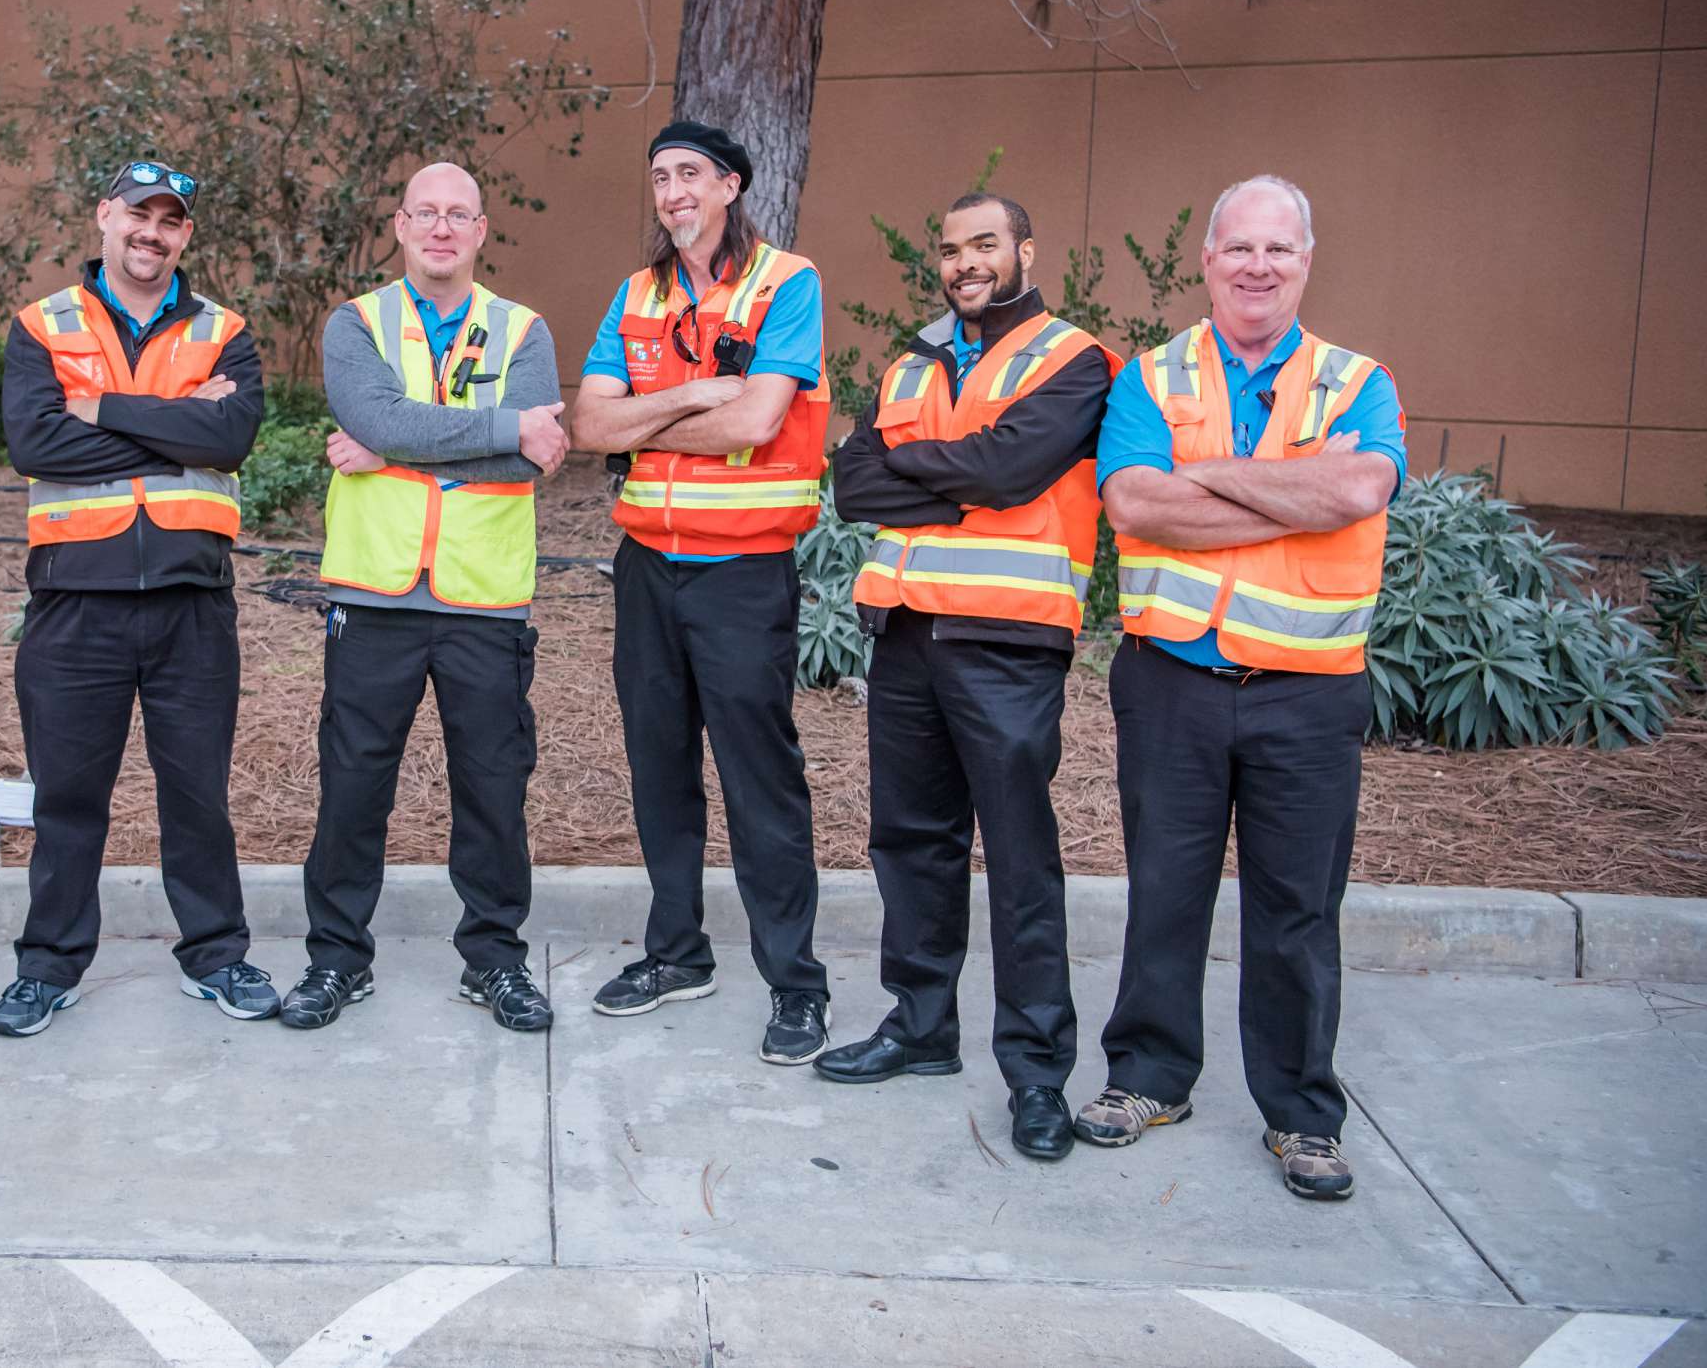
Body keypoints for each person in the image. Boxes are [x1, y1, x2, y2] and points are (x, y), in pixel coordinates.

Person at [1076, 174, 1405, 1201]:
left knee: (1297, 908)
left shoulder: (1358, 382)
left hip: (1308, 691)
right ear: (1207, 260)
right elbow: (1133, 501)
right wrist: (1292, 490)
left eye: (1279, 250)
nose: (1258, 266)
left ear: (1305, 263)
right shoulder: (1154, 376)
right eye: (1239, 249)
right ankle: (1148, 1078)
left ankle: (1303, 1116)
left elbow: (1361, 487)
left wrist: (1205, 474)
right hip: (1171, 677)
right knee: (1164, 892)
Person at [825, 191, 1117, 1161]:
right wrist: (955, 486)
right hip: (905, 631)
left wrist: (930, 481)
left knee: (1020, 862)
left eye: (984, 244)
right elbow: (852, 483)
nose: (964, 263)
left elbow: (1011, 470)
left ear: (1026, 250)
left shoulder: (1074, 359)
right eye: (949, 249)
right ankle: (919, 1026)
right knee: (909, 841)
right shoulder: (913, 358)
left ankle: (1037, 1076)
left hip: (1008, 639)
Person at [279, 163, 570, 1033]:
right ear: (400, 226)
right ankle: (336, 961)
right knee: (353, 787)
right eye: (426, 214)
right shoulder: (355, 323)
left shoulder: (523, 330)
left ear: (482, 231)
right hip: (373, 596)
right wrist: (473, 429)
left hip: (484, 600)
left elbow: (532, 454)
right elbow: (383, 417)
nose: (442, 229)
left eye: (460, 216)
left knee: (492, 790)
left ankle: (495, 962)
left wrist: (394, 445)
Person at [568, 120, 834, 1065]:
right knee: (659, 768)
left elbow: (762, 418)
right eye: (659, 176)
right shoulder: (636, 294)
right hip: (649, 565)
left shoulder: (784, 282)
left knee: (760, 779)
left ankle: (796, 984)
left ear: (729, 185)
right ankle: (676, 951)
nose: (673, 190)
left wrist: (652, 414)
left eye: (690, 174)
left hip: (743, 570)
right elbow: (592, 426)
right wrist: (693, 399)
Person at [0, 160, 273, 1036]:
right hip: (76, 601)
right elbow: (36, 445)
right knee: (67, 796)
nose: (152, 234)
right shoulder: (42, 325)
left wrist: (101, 408)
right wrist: (173, 424)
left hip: (193, 602)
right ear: (104, 216)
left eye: (171, 221)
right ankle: (49, 965)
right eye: (138, 216)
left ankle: (217, 955)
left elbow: (229, 438)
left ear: (186, 234)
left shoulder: (225, 330)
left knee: (198, 793)